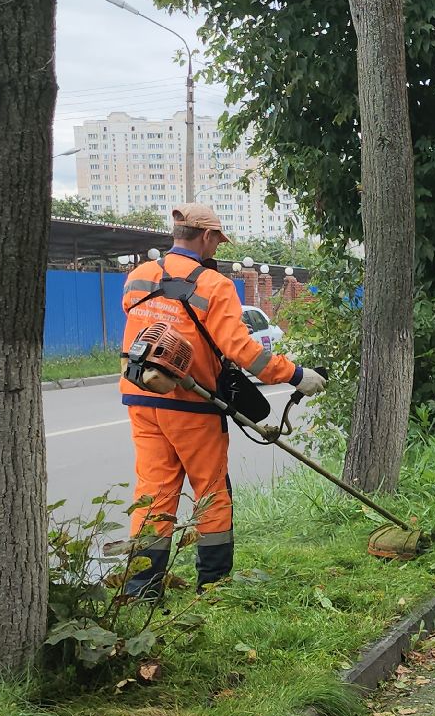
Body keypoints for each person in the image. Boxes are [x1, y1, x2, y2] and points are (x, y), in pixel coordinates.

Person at [117, 203, 326, 597]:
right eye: (216, 241)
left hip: (141, 401)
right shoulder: (214, 286)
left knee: (153, 492)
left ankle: (141, 589)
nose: (215, 249)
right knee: (211, 493)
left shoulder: (137, 278)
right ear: (208, 237)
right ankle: (213, 587)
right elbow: (246, 352)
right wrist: (297, 375)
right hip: (192, 404)